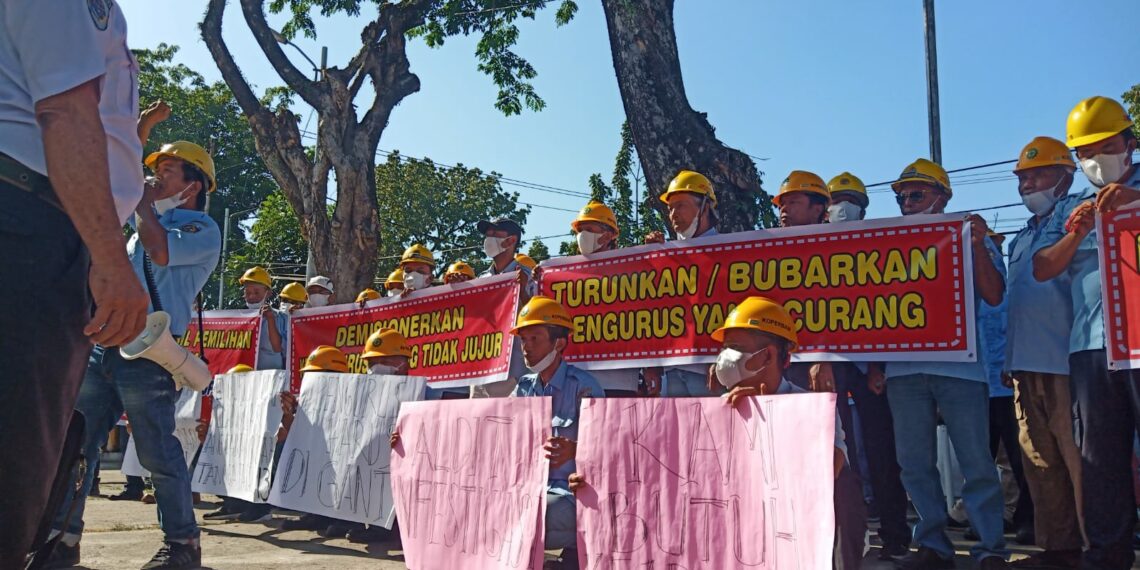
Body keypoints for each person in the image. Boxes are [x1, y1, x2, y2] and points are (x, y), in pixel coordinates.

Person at [0, 3, 151, 564]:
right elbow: (65, 112)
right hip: (26, 228)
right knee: (14, 469)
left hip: (36, 223)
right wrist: (111, 257)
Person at [49, 140, 222, 570]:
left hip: (148, 354)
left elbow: (161, 252)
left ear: (193, 186)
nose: (156, 177)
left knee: (156, 453)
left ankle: (183, 545)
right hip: (106, 346)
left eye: (168, 171)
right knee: (77, 444)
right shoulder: (143, 224)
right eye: (155, 169)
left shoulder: (201, 228)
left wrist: (144, 205)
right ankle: (61, 539)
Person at [884, 158, 1009, 569]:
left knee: (976, 461)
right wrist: (873, 367)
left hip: (961, 365)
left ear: (943, 197)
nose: (906, 201)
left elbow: (994, 295)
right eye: (901, 196)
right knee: (915, 464)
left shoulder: (969, 234)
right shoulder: (883, 244)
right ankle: (934, 546)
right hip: (903, 369)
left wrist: (975, 245)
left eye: (915, 194)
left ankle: (990, 548)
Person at [1032, 96, 1140, 570]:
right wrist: (1077, 232)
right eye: (1084, 153)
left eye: (1106, 146)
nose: (1096, 160)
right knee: (1100, 460)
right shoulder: (1072, 207)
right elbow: (1042, 267)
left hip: (1139, 344)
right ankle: (1107, 555)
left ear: (1130, 142)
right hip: (1091, 349)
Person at [769, 173, 868, 567]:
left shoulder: (840, 249)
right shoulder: (768, 252)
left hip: (825, 374)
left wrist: (822, 355)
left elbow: (841, 307)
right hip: (785, 372)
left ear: (818, 208)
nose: (783, 211)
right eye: (780, 204)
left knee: (834, 463)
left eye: (791, 203)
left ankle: (846, 558)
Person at [1000, 136, 1085, 569]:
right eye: (1023, 177)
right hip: (1023, 365)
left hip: (1066, 362)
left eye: (1037, 174)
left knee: (1080, 462)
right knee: (1040, 463)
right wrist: (1007, 362)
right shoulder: (1018, 240)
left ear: (1065, 176)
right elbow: (1013, 304)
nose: (1027, 184)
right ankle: (1060, 550)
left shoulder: (1078, 215)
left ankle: (1097, 547)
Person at [823, 171, 912, 559]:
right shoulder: (809, 250)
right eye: (833, 198)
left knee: (881, 455)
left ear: (863, 207)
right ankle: (847, 541)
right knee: (842, 458)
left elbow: (884, 309)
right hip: (831, 367)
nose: (839, 205)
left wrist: (876, 365)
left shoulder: (879, 244)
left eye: (848, 198)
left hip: (869, 370)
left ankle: (894, 537)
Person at [511, 295, 604, 569]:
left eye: (534, 339)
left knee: (540, 514)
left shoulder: (585, 387)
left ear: (559, 343)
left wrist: (578, 451)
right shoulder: (524, 387)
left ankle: (578, 548)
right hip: (527, 486)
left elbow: (610, 448)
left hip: (568, 494)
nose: (526, 348)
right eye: (523, 340)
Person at [644, 170, 719, 397]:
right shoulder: (665, 254)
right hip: (672, 368)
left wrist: (721, 358)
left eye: (680, 206)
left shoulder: (730, 254)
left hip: (709, 371)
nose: (673, 214)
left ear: (705, 207)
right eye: (670, 208)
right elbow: (653, 313)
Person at [569, 200, 647, 397]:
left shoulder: (631, 269)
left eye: (589, 229)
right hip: (578, 377)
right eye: (579, 230)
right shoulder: (565, 276)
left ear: (609, 235)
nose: (582, 236)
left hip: (619, 378)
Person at [345, 327, 415, 544]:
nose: (376, 368)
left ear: (403, 363)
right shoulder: (358, 396)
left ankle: (395, 528)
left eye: (384, 361)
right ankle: (373, 524)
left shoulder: (423, 394)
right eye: (371, 363)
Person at [278, 346, 352, 537]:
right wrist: (288, 413)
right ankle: (315, 514)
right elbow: (298, 437)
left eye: (314, 375)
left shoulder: (351, 399)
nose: (307, 381)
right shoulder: (309, 402)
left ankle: (343, 519)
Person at [472, 216, 535, 398]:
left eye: (494, 233)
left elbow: (540, 321)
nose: (488, 238)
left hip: (514, 373)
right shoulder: (480, 281)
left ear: (511, 240)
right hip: (480, 373)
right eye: (487, 234)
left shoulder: (530, 278)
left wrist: (523, 291)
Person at [239, 266, 288, 370]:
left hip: (271, 379)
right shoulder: (238, 319)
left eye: (257, 292)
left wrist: (270, 320)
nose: (251, 296)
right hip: (244, 378)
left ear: (268, 293)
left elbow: (277, 348)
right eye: (248, 292)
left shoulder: (280, 317)